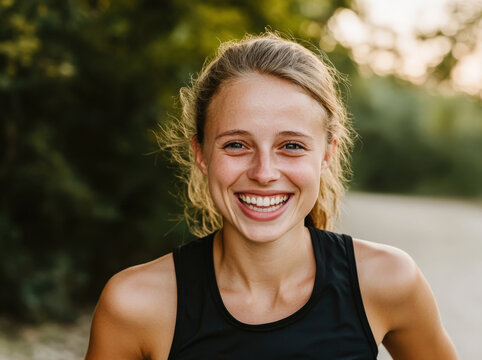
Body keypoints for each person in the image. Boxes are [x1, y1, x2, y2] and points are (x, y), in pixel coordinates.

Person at [85, 32, 458, 359]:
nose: (264, 173)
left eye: (291, 145)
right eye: (236, 144)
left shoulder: (387, 280)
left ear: (327, 153)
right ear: (200, 154)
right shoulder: (137, 303)